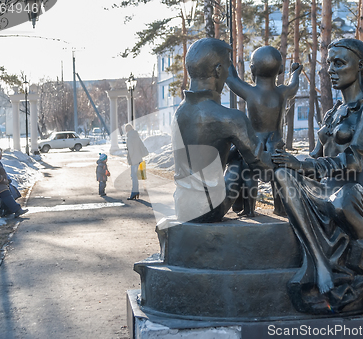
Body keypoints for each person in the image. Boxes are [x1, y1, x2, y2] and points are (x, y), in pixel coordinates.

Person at [271, 38, 363, 313]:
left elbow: (353, 161)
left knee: (341, 201)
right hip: (323, 188)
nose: (330, 70)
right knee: (281, 174)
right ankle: (321, 265)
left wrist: (303, 167)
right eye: (328, 64)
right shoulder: (332, 114)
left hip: (351, 192)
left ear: (359, 66)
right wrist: (289, 161)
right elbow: (315, 157)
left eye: (339, 63)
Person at [172, 38, 273, 223]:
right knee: (244, 162)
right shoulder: (230, 118)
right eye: (228, 66)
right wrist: (287, 161)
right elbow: (264, 170)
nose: (228, 72)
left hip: (181, 205)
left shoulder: (179, 112)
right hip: (208, 209)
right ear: (218, 70)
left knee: (239, 156)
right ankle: (247, 209)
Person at [226, 46, 302, 216]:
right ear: (280, 69)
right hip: (276, 143)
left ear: (252, 69)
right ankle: (280, 208)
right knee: (278, 176)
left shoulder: (250, 92)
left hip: (255, 144)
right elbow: (294, 85)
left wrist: (227, 59)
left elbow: (231, 79)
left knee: (250, 175)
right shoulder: (283, 92)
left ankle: (249, 209)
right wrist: (295, 72)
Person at [125, 124, 149, 200]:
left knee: (133, 176)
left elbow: (131, 151)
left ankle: (134, 192)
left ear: (127, 130)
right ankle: (136, 192)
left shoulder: (129, 138)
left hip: (134, 160)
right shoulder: (136, 136)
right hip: (139, 159)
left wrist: (129, 159)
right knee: (136, 176)